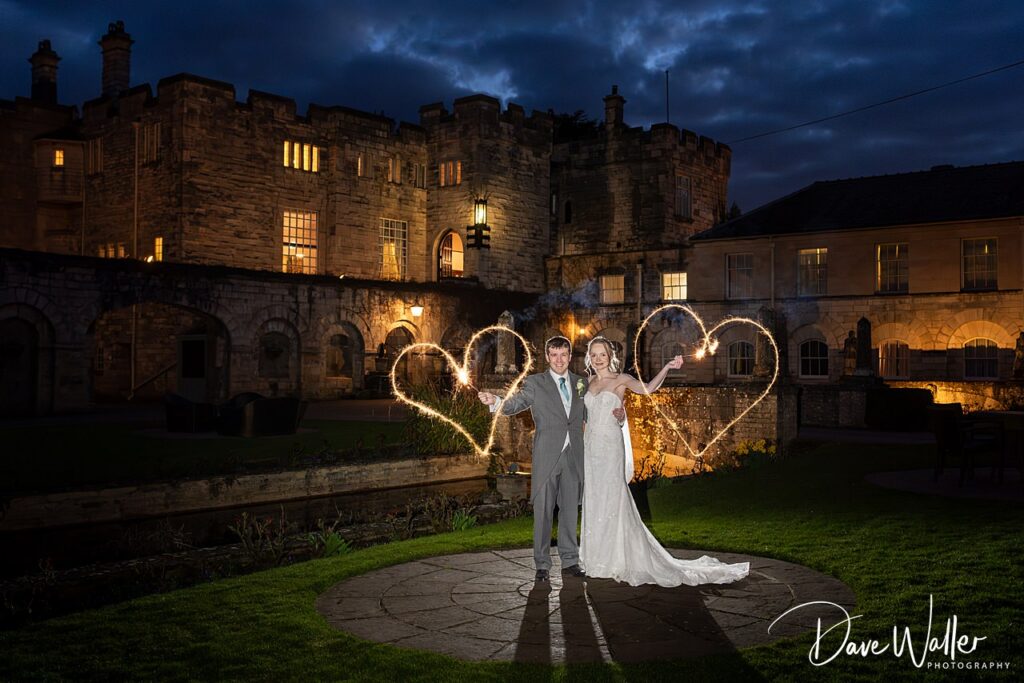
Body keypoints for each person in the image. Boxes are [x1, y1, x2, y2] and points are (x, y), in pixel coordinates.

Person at [579, 336, 750, 587]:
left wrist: (667, 368)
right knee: (594, 498)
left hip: (610, 446)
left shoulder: (621, 380)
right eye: (593, 354)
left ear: (610, 355)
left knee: (613, 497)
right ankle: (596, 558)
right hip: (591, 447)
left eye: (601, 354)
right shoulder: (587, 382)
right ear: (588, 358)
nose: (597, 359)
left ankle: (617, 559)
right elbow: (585, 417)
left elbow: (648, 388)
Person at [478, 336, 619, 583]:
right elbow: (515, 404)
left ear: (569, 356)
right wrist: (496, 401)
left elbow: (593, 413)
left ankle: (570, 560)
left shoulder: (580, 383)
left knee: (569, 512)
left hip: (574, 456)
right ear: (547, 357)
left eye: (563, 355)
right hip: (547, 457)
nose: (559, 360)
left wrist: (619, 414)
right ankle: (542, 564)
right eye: (554, 355)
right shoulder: (535, 383)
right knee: (542, 514)